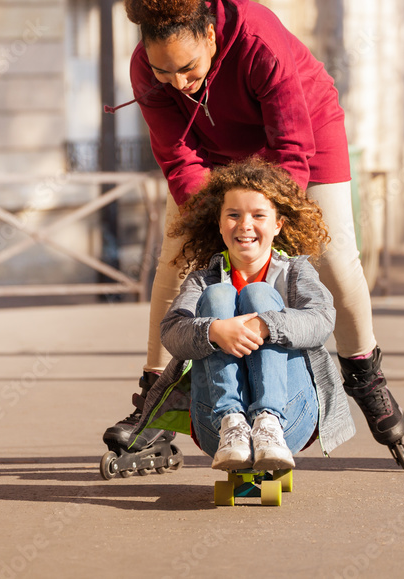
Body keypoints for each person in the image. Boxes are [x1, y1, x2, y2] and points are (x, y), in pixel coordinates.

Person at [103, 0, 404, 468]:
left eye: (188, 69)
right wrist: (212, 227)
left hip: (304, 134)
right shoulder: (145, 70)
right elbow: (178, 156)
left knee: (333, 257)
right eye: (163, 71)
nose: (176, 83)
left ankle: (363, 371)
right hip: (213, 147)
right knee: (175, 260)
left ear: (209, 35)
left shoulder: (257, 39)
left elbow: (291, 147)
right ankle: (154, 400)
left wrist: (266, 227)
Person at [129, 158, 355, 469]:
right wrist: (214, 331)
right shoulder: (203, 279)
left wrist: (267, 324)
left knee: (258, 294)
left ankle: (268, 421)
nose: (245, 225)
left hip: (290, 419)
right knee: (219, 295)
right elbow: (171, 331)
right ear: (219, 224)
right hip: (217, 428)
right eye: (233, 215)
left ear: (278, 224)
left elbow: (321, 319)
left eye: (258, 215)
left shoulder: (296, 271)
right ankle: (232, 420)